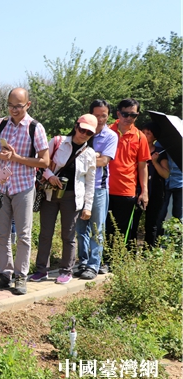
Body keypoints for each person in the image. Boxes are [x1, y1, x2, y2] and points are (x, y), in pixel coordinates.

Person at [0, 88, 49, 295]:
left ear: (28, 105)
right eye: (11, 105)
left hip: (24, 186)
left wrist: (16, 158)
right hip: (1, 186)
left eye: (19, 106)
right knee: (1, 233)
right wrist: (0, 155)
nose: (14, 110)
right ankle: (4, 274)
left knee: (23, 234)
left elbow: (44, 161)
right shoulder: (0, 124)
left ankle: (21, 275)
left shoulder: (35, 128)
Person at [30, 115, 97, 284]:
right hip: (50, 193)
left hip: (72, 198)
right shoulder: (58, 142)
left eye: (89, 133)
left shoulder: (90, 153)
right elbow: (42, 163)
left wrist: (88, 207)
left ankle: (66, 270)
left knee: (68, 235)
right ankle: (41, 270)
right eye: (82, 129)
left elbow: (90, 183)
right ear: (76, 126)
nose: (84, 134)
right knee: (45, 233)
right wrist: (50, 176)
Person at [74, 100, 118, 279]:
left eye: (103, 116)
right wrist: (94, 156)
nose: (100, 119)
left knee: (97, 228)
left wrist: (86, 157)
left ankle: (94, 264)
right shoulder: (83, 132)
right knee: (80, 229)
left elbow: (103, 161)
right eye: (96, 115)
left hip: (99, 187)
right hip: (79, 187)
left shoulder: (111, 136)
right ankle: (83, 262)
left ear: (108, 116)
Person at [105, 99, 150, 266]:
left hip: (127, 190)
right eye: (125, 114)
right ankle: (103, 260)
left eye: (133, 115)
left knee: (123, 229)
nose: (129, 118)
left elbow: (143, 166)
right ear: (118, 113)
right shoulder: (107, 131)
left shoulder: (140, 136)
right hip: (104, 188)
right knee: (104, 227)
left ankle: (118, 262)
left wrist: (144, 191)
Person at [129, 123, 169, 247]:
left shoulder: (160, 153)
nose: (144, 135)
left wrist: (154, 162)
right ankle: (130, 250)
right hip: (137, 190)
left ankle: (149, 251)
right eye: (143, 132)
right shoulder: (135, 149)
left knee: (151, 224)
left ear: (155, 137)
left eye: (148, 133)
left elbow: (166, 174)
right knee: (133, 222)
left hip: (155, 192)